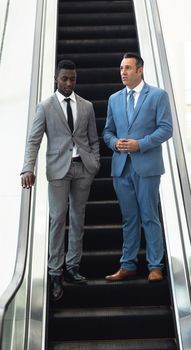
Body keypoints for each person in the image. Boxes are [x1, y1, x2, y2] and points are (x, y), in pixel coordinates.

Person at [21, 60, 100, 300]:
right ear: (56, 77)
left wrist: (94, 163)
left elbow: (93, 139)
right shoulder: (45, 106)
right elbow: (33, 140)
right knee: (57, 219)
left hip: (83, 168)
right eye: (64, 78)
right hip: (58, 170)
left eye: (72, 79)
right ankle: (55, 271)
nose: (68, 83)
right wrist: (27, 168)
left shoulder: (86, 106)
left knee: (78, 217)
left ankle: (73, 266)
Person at [103, 52, 173, 282]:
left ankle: (155, 266)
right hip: (121, 167)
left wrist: (139, 145)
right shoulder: (114, 99)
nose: (123, 72)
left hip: (147, 167)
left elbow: (166, 129)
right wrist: (114, 143)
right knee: (129, 218)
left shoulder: (157, 96)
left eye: (128, 68)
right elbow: (107, 131)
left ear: (140, 70)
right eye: (121, 68)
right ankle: (128, 265)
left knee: (149, 216)